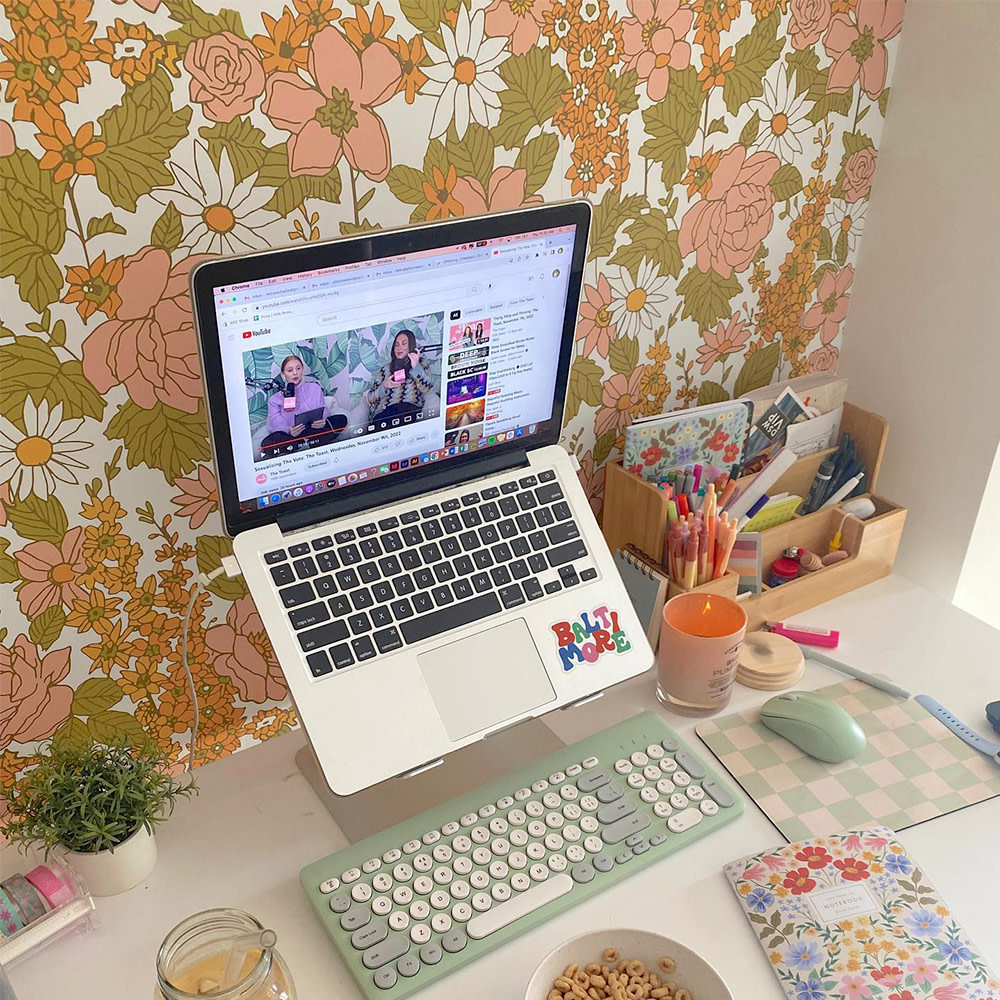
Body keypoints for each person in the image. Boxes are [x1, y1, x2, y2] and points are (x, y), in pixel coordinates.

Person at [261, 355, 344, 452]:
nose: (295, 373)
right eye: (290, 370)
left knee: (341, 419)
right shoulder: (275, 399)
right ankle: (308, 443)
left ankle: (308, 443)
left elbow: (324, 408)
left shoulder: (314, 388)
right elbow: (274, 422)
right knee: (267, 443)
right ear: (283, 374)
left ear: (302, 370)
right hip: (292, 435)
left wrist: (323, 420)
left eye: (298, 368)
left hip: (315, 430)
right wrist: (289, 430)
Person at [367, 330, 435, 423]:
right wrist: (384, 386)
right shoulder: (385, 369)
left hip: (410, 409)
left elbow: (427, 388)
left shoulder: (420, 363)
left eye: (404, 344)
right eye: (397, 345)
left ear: (410, 346)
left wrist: (415, 366)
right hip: (386, 411)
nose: (399, 348)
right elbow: (370, 399)